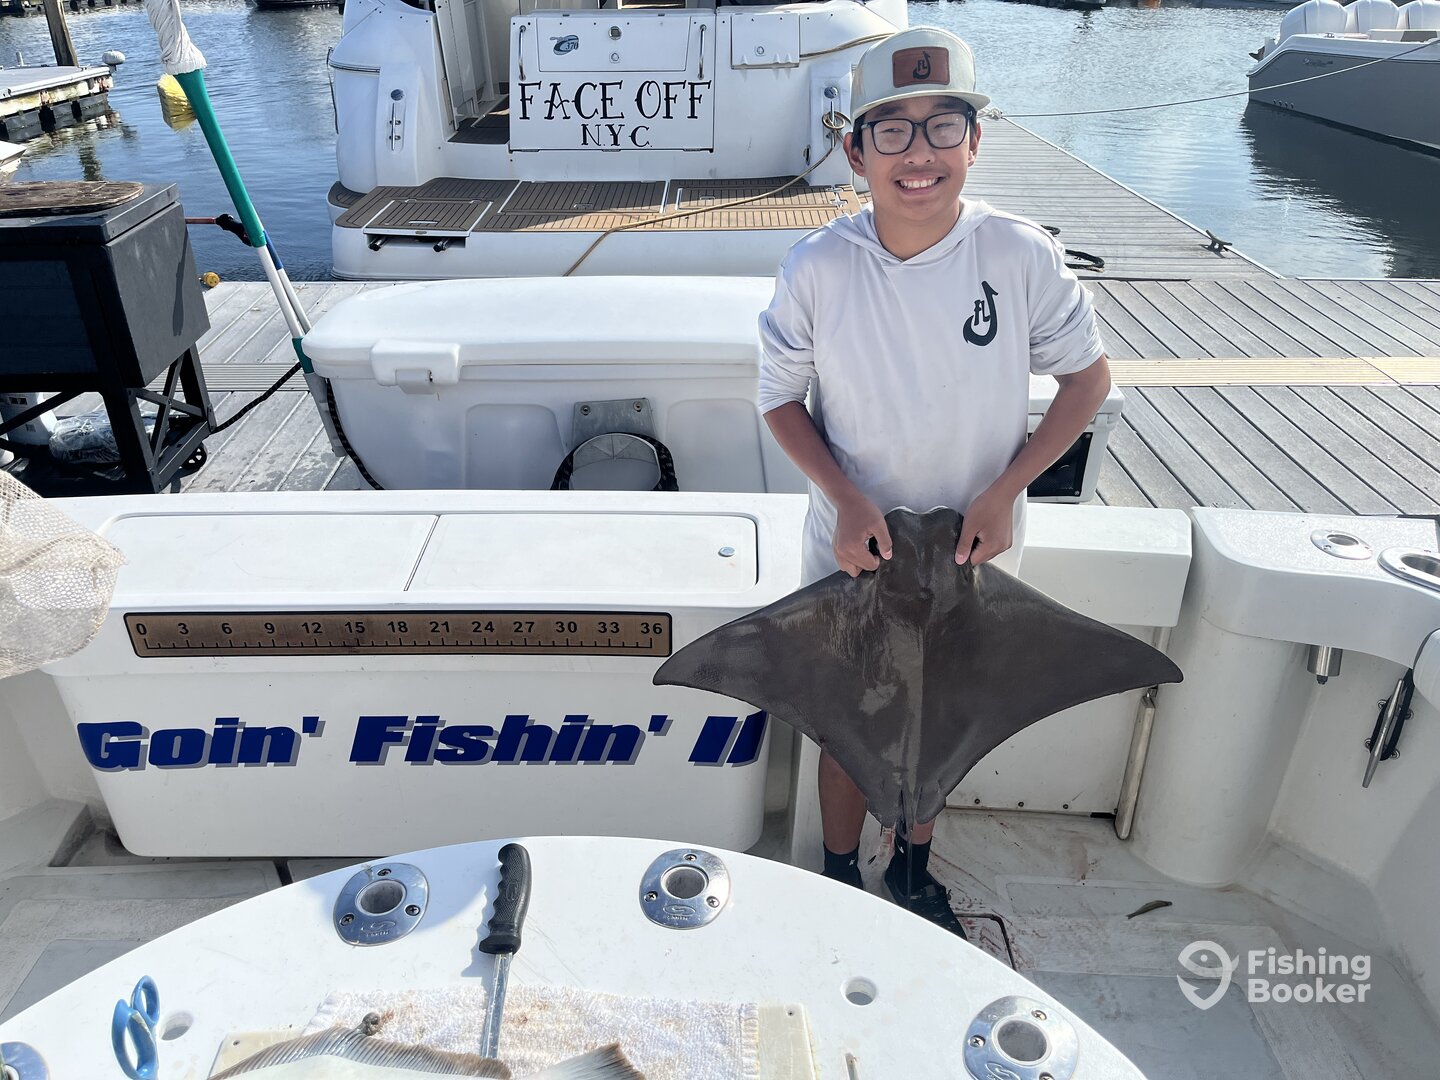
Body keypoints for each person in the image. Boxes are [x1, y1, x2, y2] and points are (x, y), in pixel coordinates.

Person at [757, 26, 1113, 937]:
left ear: (975, 141)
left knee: (942, 720)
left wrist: (1006, 491)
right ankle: (841, 871)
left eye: (942, 126)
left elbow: (1086, 383)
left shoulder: (1019, 255)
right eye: (892, 131)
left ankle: (912, 867)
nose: (919, 155)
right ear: (856, 153)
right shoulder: (820, 266)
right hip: (855, 548)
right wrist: (845, 498)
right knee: (851, 723)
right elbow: (779, 399)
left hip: (972, 547)